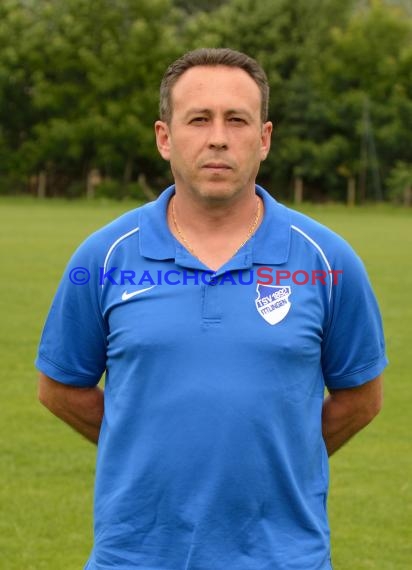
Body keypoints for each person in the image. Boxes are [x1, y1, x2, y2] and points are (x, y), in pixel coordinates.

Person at [36, 48, 387, 570]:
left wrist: (284, 454)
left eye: (237, 120)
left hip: (283, 558)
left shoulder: (327, 260)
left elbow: (362, 397)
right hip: (134, 557)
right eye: (198, 119)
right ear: (165, 138)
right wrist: (141, 441)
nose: (218, 137)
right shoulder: (105, 257)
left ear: (263, 139)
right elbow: (60, 388)